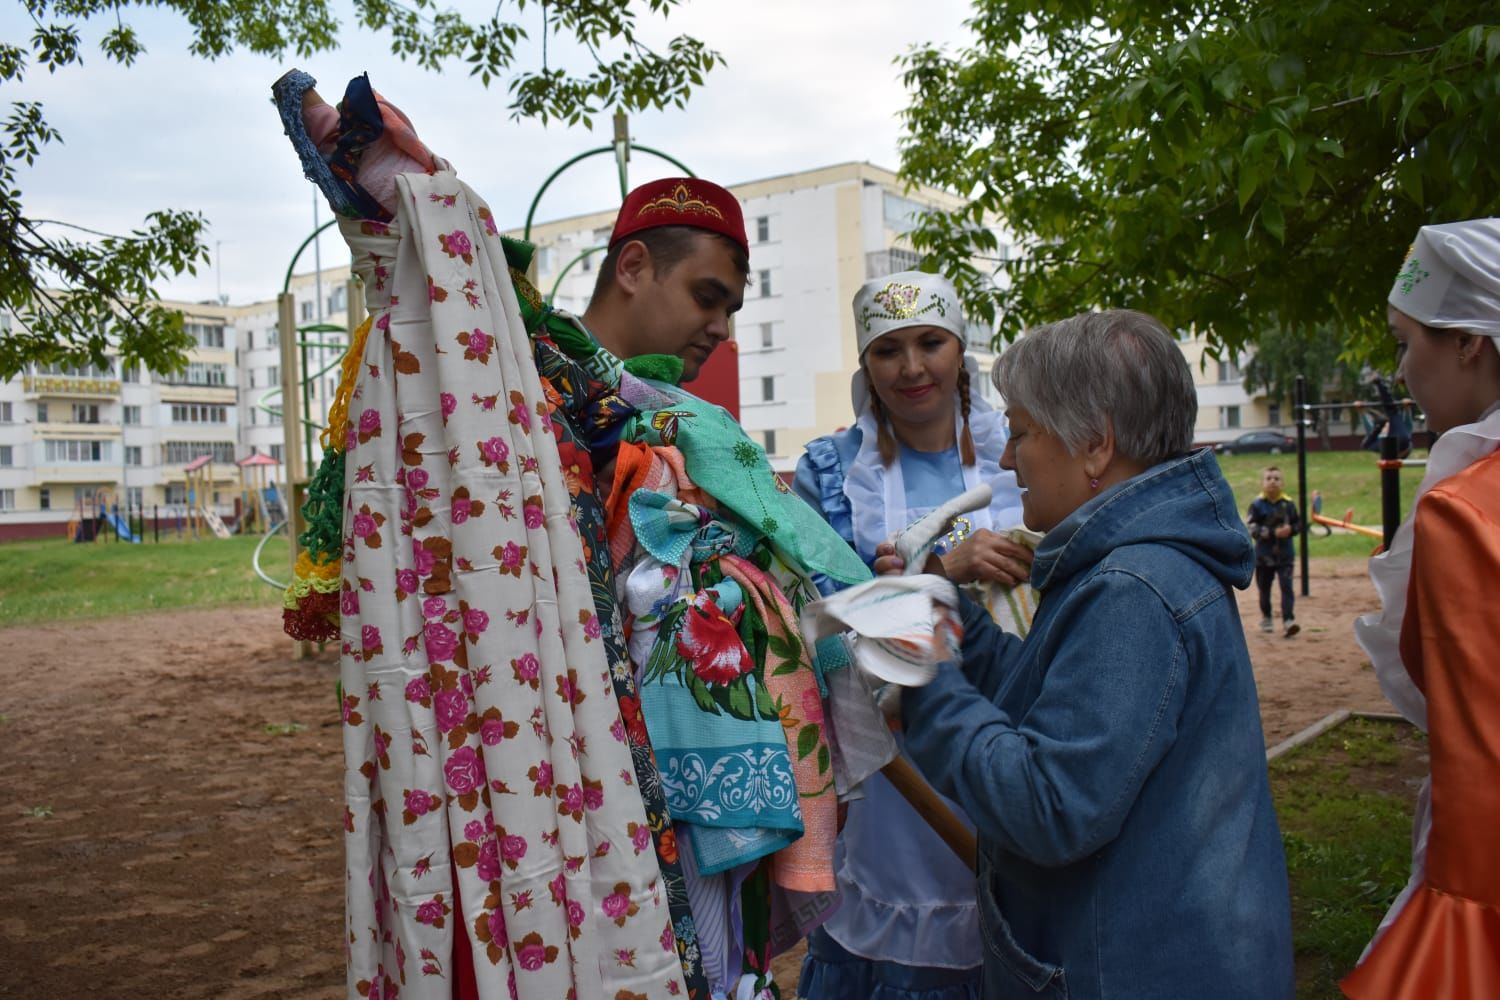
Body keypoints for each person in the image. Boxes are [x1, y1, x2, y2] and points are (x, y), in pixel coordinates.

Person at [273, 70, 870, 1000]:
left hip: (702, 781)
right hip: (562, 761)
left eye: (732, 308)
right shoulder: (515, 396)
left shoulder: (684, 421)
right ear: (633, 265)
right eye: (707, 295)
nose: (719, 325)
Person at [877, 310, 1294, 1000]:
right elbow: (1059, 701)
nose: (1008, 460)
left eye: (1019, 434)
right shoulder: (1136, 567)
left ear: (1095, 445)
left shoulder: (1132, 590)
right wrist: (951, 626)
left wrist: (924, 674)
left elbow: (1050, 805)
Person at [791, 271, 1030, 999]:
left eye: (931, 343)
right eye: (889, 350)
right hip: (888, 760)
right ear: (867, 365)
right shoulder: (830, 471)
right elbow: (819, 617)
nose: (913, 367)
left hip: (1014, 723)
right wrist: (940, 572)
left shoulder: (1023, 451)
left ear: (962, 351)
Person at [1342, 219, 1500, 999]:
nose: (1403, 370)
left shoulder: (1464, 512)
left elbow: (1431, 691)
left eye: (1407, 343)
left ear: (1470, 342)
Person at [1247, 466, 1301, 637]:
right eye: (1269, 478)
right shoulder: (1257, 505)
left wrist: (1290, 529)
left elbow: (1298, 525)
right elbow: (1251, 528)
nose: (1272, 481)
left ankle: (1288, 620)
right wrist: (1271, 533)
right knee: (1264, 588)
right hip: (1263, 556)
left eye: (1277, 478)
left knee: (1287, 587)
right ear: (1262, 483)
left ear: (1282, 483)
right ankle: (1267, 617)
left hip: (1285, 555)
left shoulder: (1289, 504)